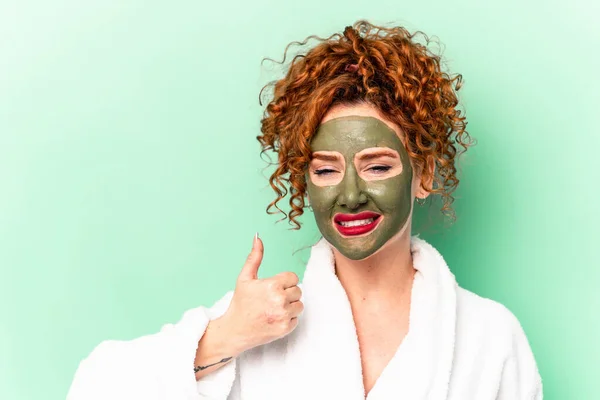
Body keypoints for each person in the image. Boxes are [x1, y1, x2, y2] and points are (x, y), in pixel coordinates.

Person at [67, 21, 542, 399]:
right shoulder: (257, 323)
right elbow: (95, 388)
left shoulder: (488, 337)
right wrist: (223, 336)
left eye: (377, 166)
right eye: (326, 171)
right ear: (303, 181)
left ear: (425, 175)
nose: (350, 195)